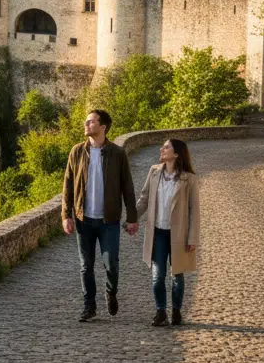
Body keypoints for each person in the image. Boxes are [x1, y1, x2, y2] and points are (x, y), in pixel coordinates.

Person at [61, 109, 139, 322]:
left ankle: (111, 292)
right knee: (86, 265)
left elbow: (127, 186)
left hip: (109, 220)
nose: (86, 124)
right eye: (86, 121)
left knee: (111, 263)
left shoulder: (117, 153)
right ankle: (89, 306)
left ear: (103, 127)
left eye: (91, 121)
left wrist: (132, 217)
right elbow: (68, 185)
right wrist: (66, 215)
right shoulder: (77, 151)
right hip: (83, 219)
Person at [135, 138, 201, 326]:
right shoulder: (154, 171)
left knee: (177, 275)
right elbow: (144, 198)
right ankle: (161, 311)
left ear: (177, 154)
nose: (162, 149)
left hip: (178, 234)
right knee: (158, 276)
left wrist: (192, 238)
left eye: (166, 147)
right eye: (162, 146)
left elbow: (194, 210)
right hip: (157, 232)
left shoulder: (189, 179)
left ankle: (176, 311)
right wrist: (132, 218)